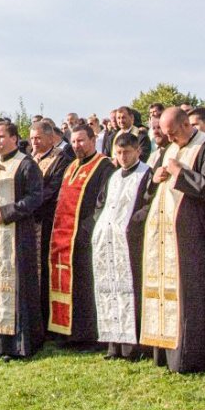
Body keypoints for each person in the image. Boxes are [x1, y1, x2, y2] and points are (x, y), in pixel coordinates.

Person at [140, 107, 205, 373]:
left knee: (192, 296)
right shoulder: (169, 149)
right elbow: (155, 189)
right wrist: (156, 179)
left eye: (172, 133)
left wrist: (179, 173)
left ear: (185, 125)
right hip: (166, 236)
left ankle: (190, 355)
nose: (169, 139)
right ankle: (165, 350)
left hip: (195, 236)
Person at [0, 122, 47, 358]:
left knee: (16, 289)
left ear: (14, 138)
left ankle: (17, 345)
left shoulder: (26, 164)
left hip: (16, 236)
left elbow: (36, 197)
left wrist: (6, 212)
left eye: (2, 137)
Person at [47, 124, 113, 343]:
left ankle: (86, 336)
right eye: (74, 141)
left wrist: (87, 228)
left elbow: (103, 202)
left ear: (93, 140)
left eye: (81, 141)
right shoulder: (71, 165)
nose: (77, 146)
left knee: (85, 286)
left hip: (86, 236)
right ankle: (65, 331)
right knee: (67, 283)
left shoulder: (104, 165)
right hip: (64, 236)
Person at [91, 132, 153, 360]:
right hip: (108, 242)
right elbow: (100, 203)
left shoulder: (146, 174)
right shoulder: (114, 176)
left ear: (138, 151)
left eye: (127, 152)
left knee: (130, 290)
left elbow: (149, 204)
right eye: (118, 152)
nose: (123, 157)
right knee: (109, 289)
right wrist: (101, 224)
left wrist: (132, 224)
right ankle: (113, 344)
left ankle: (132, 347)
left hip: (132, 242)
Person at [29, 118, 73, 325]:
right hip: (29, 220)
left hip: (47, 221)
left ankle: (45, 318)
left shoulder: (61, 159)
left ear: (50, 137)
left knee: (45, 270)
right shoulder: (30, 158)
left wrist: (28, 203)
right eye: (32, 139)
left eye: (38, 138)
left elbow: (52, 189)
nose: (35, 142)